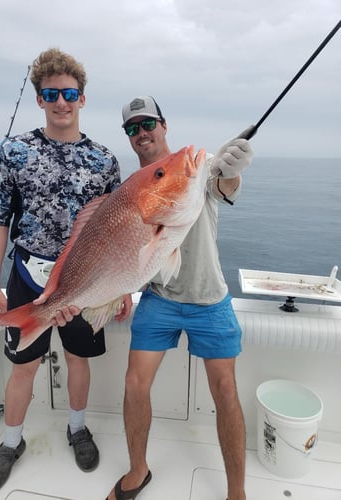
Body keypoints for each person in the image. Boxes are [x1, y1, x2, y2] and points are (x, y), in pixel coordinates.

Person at [0, 48, 132, 493]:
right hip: (28, 277)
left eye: (70, 93)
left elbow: (118, 231)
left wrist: (121, 287)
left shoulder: (105, 160)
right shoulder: (15, 150)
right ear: (39, 99)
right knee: (22, 366)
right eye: (52, 93)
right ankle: (10, 444)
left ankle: (78, 428)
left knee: (77, 358)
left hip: (87, 282)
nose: (61, 101)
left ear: (83, 99)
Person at [106, 96, 254, 500]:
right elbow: (129, 254)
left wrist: (231, 171)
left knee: (225, 390)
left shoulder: (194, 164)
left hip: (210, 299)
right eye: (132, 129)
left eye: (148, 123)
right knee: (135, 383)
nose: (142, 133)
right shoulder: (131, 191)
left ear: (164, 124)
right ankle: (139, 471)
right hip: (159, 298)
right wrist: (116, 288)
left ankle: (236, 492)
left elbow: (223, 185)